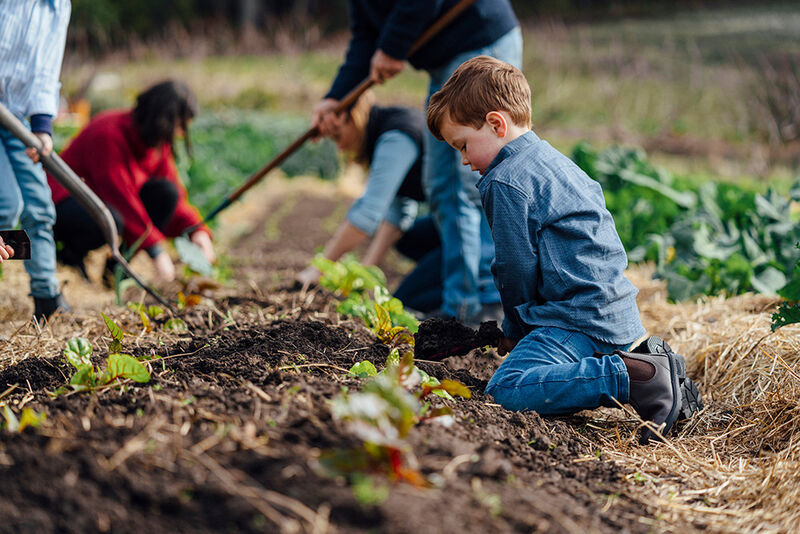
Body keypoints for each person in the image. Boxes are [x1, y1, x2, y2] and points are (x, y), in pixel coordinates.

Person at [426, 56, 703, 443]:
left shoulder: (503, 181)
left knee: (506, 389)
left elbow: (514, 267)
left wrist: (518, 330)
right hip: (614, 314)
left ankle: (633, 378)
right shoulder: (554, 162)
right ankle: (647, 364)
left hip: (576, 320)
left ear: (495, 123)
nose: (465, 160)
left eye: (464, 145)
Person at [311, 0, 521, 326]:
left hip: (477, 43)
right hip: (444, 61)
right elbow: (366, 35)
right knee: (440, 183)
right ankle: (462, 304)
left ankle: (481, 304)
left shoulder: (394, 134)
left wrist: (394, 46)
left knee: (461, 180)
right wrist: (336, 98)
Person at [296, 91, 500, 319]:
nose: (340, 147)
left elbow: (368, 213)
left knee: (404, 302)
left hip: (482, 229)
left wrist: (319, 269)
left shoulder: (396, 137)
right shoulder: (385, 129)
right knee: (406, 240)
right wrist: (365, 275)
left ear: (352, 118)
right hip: (456, 223)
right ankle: (446, 271)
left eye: (337, 136)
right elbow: (395, 216)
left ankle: (480, 288)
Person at [47, 80, 215, 284]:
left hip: (104, 202)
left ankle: (117, 269)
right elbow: (120, 197)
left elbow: (174, 194)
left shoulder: (155, 144)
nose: (180, 134)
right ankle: (70, 254)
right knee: (109, 220)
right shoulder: (108, 133)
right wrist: (156, 252)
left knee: (165, 193)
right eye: (180, 126)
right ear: (163, 120)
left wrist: (197, 230)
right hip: (62, 200)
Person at [0, 0, 72, 320]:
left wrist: (42, 127)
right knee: (6, 205)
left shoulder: (57, 6)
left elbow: (46, 69)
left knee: (38, 205)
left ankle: (46, 297)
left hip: (16, 120)